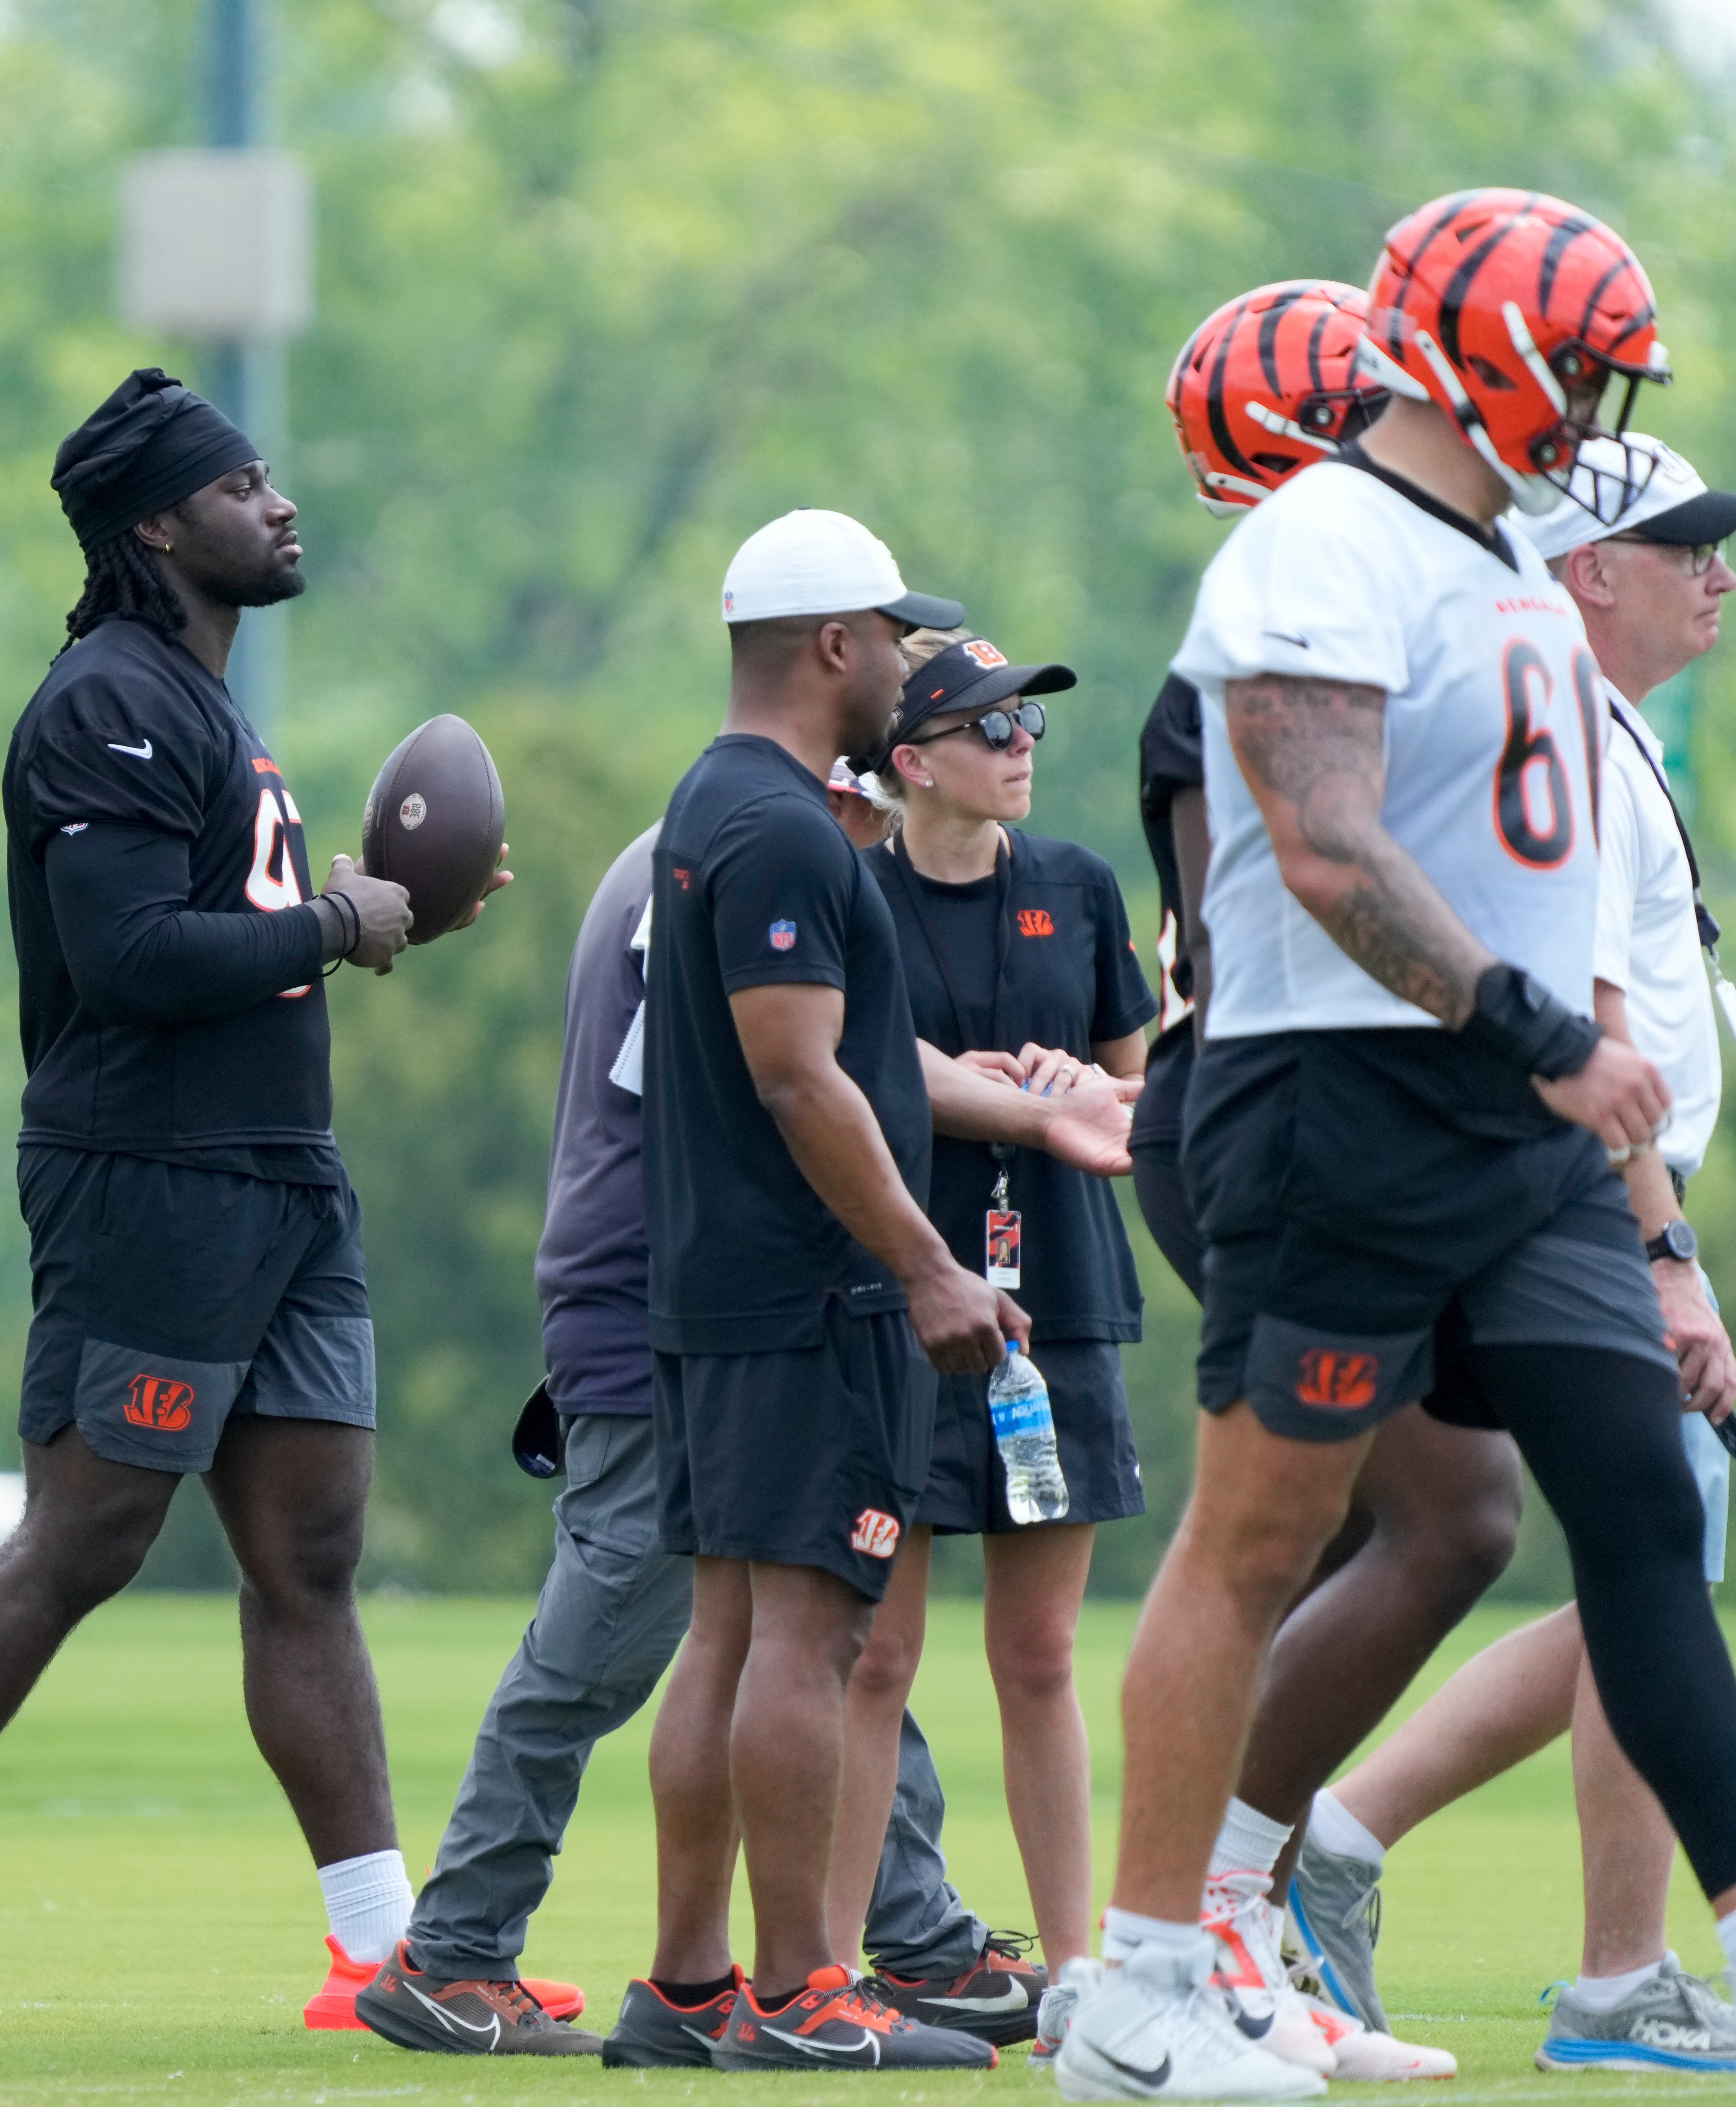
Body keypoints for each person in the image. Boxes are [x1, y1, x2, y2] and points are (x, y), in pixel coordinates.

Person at [1053, 188, 1736, 2106]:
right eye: (1592, 362)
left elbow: (1553, 884)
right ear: (1499, 352)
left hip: (1521, 1126)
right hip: (1342, 1107)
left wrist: (1630, 1151)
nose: (1605, 399)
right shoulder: (1322, 544)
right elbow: (1323, 845)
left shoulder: (1513, 560)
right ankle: (1137, 1982)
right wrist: (1550, 1039)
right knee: (1258, 1535)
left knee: (1635, 1493)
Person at [0, 368, 493, 2035]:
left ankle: (383, 1961)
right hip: (150, 1181)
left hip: (281, 1181)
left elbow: (251, 934)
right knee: (85, 1539)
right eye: (243, 486)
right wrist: (335, 923)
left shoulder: (213, 707)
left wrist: (381, 919)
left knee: (309, 1558)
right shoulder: (109, 702)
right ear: (159, 522)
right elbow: (133, 961)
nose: (282, 504)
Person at [357, 754, 1126, 2063]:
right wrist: (1034, 1114)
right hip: (677, 1293)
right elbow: (804, 1070)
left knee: (821, 1622)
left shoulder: (707, 841)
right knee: (620, 1631)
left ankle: (919, 1936)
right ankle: (456, 1950)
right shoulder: (762, 857)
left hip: (688, 1285)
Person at [1296, 434, 1736, 2074]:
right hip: (1577, 1209)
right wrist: (1660, 1247)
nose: (1718, 573)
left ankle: (1337, 1844)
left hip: (1588, 1204)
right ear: (1585, 572)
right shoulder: (1556, 736)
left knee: (1636, 1570)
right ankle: (1612, 1979)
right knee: (1636, 1570)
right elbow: (1583, 1014)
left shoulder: (1604, 739)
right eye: (1682, 544)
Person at [1135, 281, 1499, 2085]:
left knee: (1387, 1527)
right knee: (1442, 1517)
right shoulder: (1276, 632)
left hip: (1367, 1113)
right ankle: (1199, 1921)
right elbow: (1272, 926)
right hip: (1272, 1112)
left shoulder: (1411, 614)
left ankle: (1227, 1920)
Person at [634, 506, 1018, 2074]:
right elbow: (802, 1078)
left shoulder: (711, 802)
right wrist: (924, 1264)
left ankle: (687, 1989)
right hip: (809, 1296)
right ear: (835, 647)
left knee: (729, 1634)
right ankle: (802, 1994)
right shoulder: (785, 823)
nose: (914, 667)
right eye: (898, 638)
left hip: (725, 1288)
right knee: (810, 1638)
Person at [844, 630, 1156, 2046]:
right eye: (989, 727)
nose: (1022, 746)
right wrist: (976, 1097)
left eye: (1030, 724)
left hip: (1063, 1308)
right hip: (902, 1302)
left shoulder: (1082, 888)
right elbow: (839, 1076)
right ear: (913, 762)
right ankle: (830, 1971)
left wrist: (1077, 1081)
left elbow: (1138, 1101)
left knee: (1039, 1660)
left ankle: (1078, 1974)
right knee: (874, 1659)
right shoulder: (849, 894)